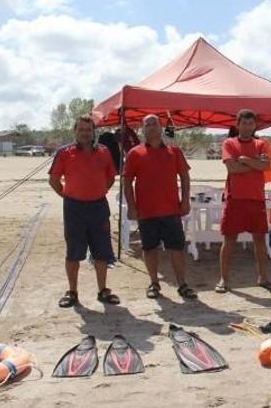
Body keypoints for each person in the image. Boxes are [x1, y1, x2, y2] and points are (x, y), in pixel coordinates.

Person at [49, 115, 119, 308]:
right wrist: (67, 196)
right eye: (81, 130)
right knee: (73, 252)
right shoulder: (64, 152)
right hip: (74, 209)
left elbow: (111, 177)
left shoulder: (104, 152)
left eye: (88, 130)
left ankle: (103, 290)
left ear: (93, 132)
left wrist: (99, 190)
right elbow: (54, 180)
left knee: (102, 252)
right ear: (75, 132)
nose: (85, 133)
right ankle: (72, 292)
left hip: (98, 207)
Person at [123, 114, 196, 300]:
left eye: (154, 124)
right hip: (146, 211)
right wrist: (131, 206)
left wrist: (185, 200)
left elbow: (185, 177)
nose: (151, 127)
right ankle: (154, 283)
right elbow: (127, 181)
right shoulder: (134, 153)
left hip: (171, 210)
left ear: (161, 127)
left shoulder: (174, 152)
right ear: (143, 129)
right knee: (149, 249)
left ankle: (182, 284)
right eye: (147, 124)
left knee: (177, 248)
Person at [216, 109, 271, 293]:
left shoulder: (261, 144)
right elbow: (232, 169)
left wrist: (245, 160)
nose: (248, 127)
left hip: (256, 199)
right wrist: (254, 163)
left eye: (251, 123)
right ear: (238, 124)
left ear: (255, 125)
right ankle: (223, 280)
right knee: (229, 239)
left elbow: (266, 166)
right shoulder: (229, 143)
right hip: (236, 199)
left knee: (259, 240)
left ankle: (263, 278)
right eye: (244, 123)